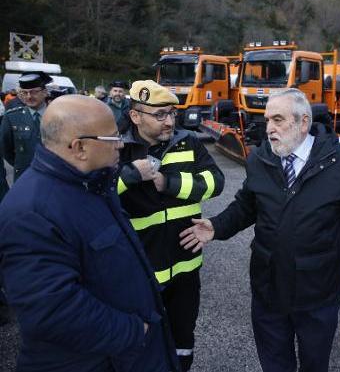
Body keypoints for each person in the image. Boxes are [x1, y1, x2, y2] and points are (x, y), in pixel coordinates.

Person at [179, 88, 340, 372]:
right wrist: (217, 225)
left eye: (278, 120)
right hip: (268, 289)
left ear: (303, 122)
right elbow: (247, 204)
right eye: (268, 119)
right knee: (275, 364)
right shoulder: (260, 158)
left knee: (314, 364)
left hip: (317, 293)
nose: (269, 128)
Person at [0, 95, 179, 372]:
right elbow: (51, 310)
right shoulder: (31, 212)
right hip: (99, 359)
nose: (120, 144)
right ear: (79, 147)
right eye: (111, 138)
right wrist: (135, 331)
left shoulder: (92, 183)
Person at [118, 80, 224, 371]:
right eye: (161, 114)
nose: (169, 121)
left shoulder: (188, 141)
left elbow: (216, 182)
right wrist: (128, 175)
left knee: (182, 339)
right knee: (139, 341)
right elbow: (95, 192)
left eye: (172, 113)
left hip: (185, 268)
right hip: (140, 269)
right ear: (136, 116)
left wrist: (169, 183)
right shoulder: (118, 146)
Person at [0, 71, 52, 181]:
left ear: (45, 92)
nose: (29, 96)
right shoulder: (12, 117)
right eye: (24, 92)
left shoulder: (58, 115)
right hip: (24, 176)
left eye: (33, 92)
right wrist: (22, 164)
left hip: (52, 176)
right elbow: (6, 149)